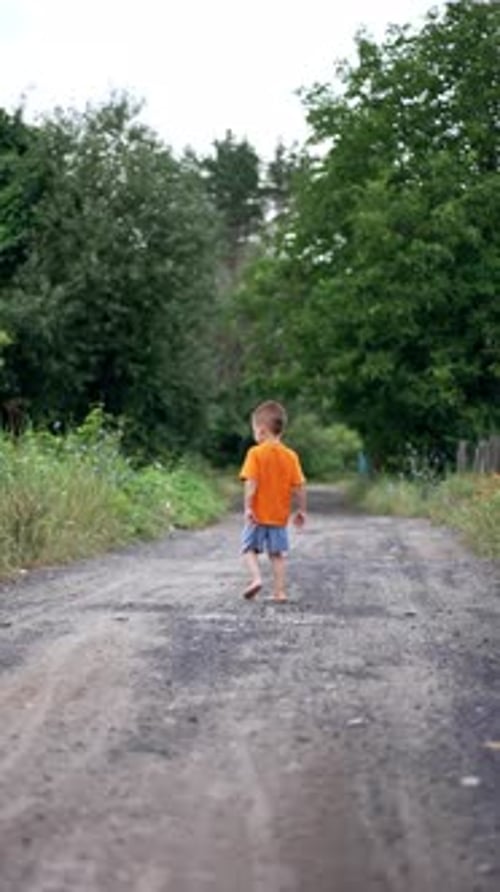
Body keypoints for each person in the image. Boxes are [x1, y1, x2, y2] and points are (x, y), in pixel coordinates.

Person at [239, 401, 307, 603]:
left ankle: (257, 578)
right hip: (279, 516)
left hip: (258, 515)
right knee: (277, 555)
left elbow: (251, 483)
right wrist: (301, 510)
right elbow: (299, 486)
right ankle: (279, 592)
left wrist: (248, 508)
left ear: (261, 431)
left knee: (248, 548)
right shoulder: (290, 456)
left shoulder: (255, 453)